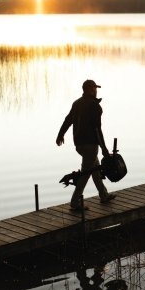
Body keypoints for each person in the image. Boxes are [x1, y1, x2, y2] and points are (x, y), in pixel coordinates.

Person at [56, 79, 116, 211]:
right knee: (86, 173)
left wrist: (60, 134)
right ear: (89, 89)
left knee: (94, 169)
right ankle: (75, 202)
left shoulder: (77, 103)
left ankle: (103, 195)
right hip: (90, 145)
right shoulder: (95, 106)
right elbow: (97, 130)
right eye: (95, 88)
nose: (96, 91)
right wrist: (104, 149)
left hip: (79, 145)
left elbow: (68, 120)